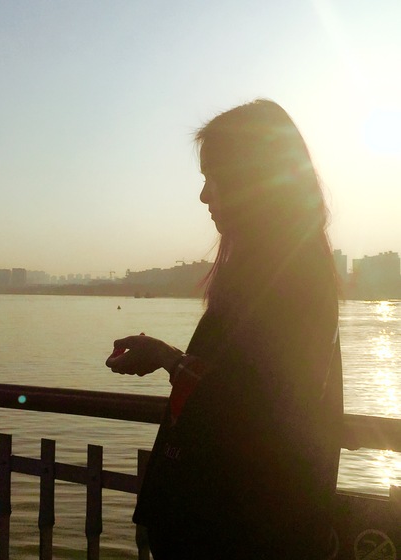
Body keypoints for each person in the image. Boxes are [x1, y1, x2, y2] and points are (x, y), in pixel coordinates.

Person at [106, 99, 343, 559]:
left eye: (212, 177)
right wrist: (168, 357)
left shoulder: (282, 277)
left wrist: (170, 360)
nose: (204, 196)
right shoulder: (286, 267)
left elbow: (254, 408)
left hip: (239, 533)